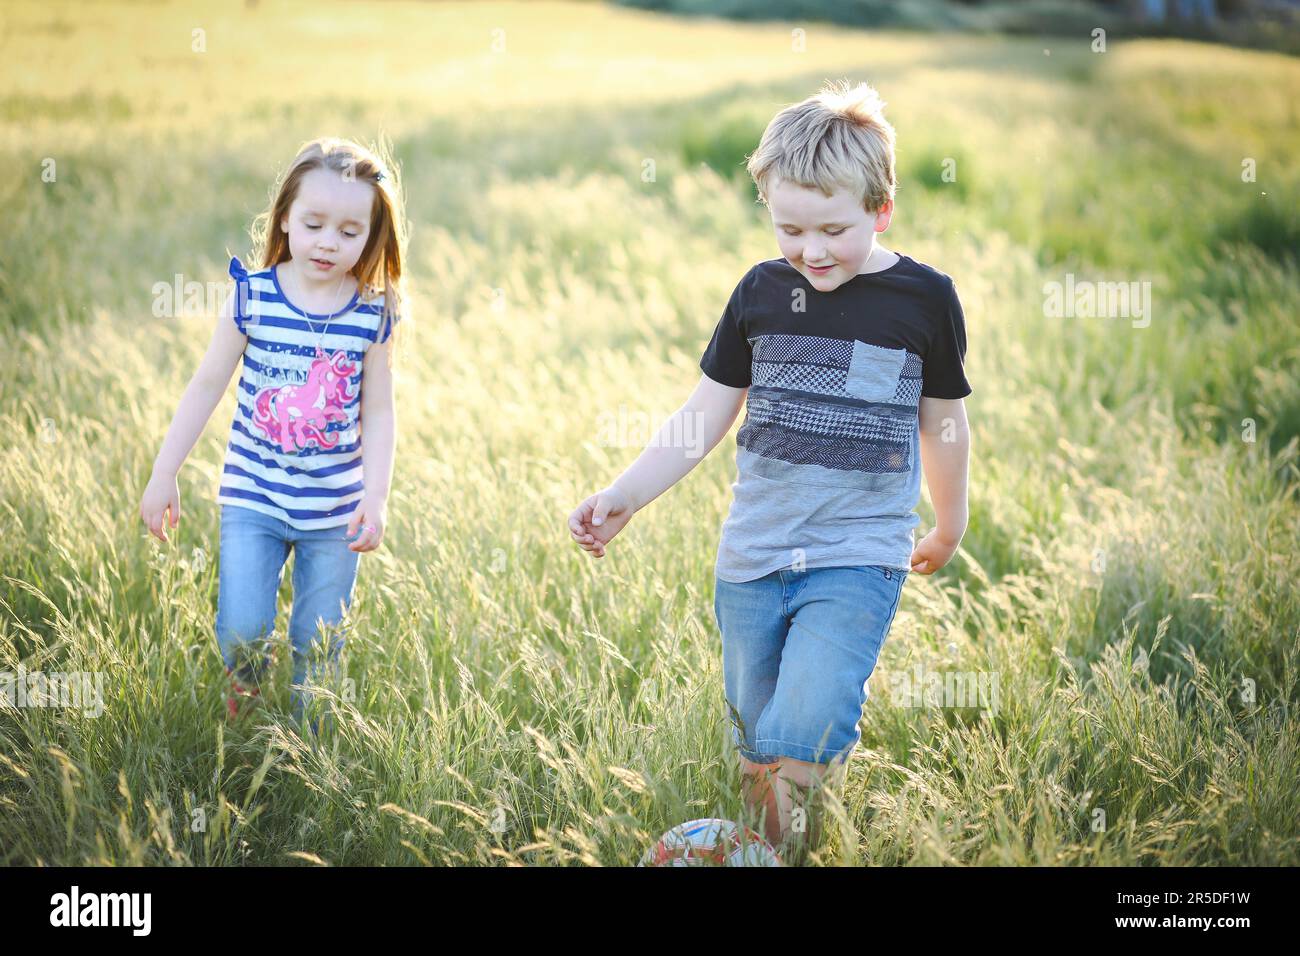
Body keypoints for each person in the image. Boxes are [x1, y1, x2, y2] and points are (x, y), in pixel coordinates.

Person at [567, 81, 972, 860]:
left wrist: (949, 520)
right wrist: (625, 494)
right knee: (758, 739)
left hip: (857, 552)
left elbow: (944, 421)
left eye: (834, 229)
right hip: (753, 555)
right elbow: (706, 414)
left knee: (807, 722)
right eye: (791, 228)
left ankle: (778, 849)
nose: (812, 250)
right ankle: (769, 838)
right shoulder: (760, 291)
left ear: (882, 208)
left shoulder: (923, 300)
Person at [139, 136, 408, 732]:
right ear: (285, 216)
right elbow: (207, 383)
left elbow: (380, 413)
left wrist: (376, 494)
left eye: (348, 230)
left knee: (320, 642)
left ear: (371, 235)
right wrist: (165, 472)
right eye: (313, 223)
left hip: (334, 510)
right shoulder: (252, 296)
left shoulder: (373, 311)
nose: (328, 242)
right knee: (242, 631)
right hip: (253, 497)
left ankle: (312, 749)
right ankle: (245, 717)